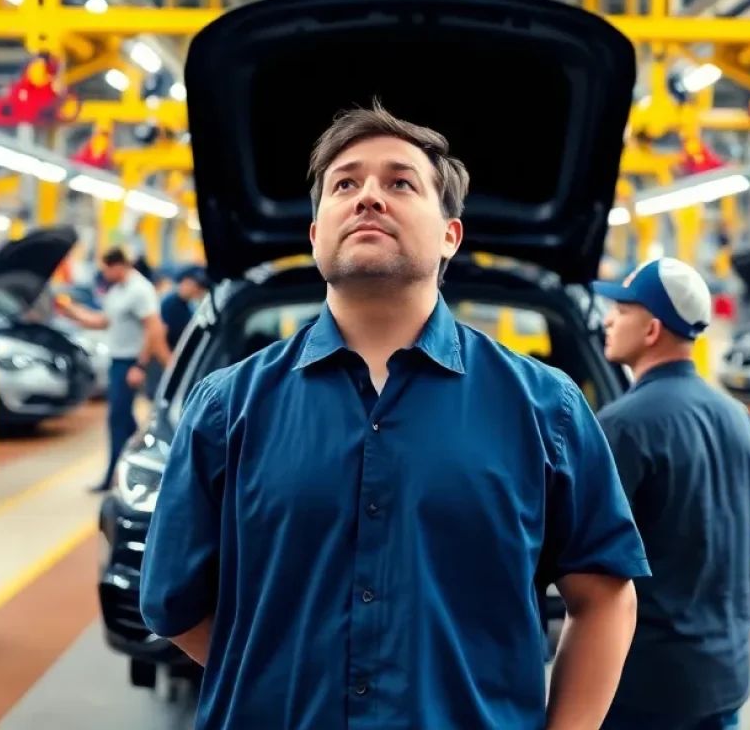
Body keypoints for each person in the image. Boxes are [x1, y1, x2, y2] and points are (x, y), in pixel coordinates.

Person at [140, 102, 650, 730]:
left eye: (400, 182)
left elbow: (603, 598)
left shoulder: (548, 409)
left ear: (449, 235)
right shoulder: (226, 407)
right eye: (344, 183)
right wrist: (272, 680)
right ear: (315, 232)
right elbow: (172, 601)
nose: (368, 198)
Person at [592, 258, 750, 730]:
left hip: (651, 688)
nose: (608, 319)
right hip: (725, 675)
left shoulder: (623, 425)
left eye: (621, 309)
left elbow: (586, 562)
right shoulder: (737, 418)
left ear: (652, 329)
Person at [56, 247, 171, 492]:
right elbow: (103, 321)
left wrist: (140, 365)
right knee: (123, 420)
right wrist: (71, 311)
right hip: (117, 361)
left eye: (107, 268)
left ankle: (113, 477)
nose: (104, 273)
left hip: (130, 362)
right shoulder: (117, 291)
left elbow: (154, 329)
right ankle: (144, 462)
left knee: (116, 420)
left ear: (119, 265)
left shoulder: (140, 290)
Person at [160, 266, 209, 353]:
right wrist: (169, 362)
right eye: (194, 284)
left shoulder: (189, 304)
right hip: (170, 353)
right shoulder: (171, 303)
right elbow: (160, 336)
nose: (196, 289)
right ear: (184, 281)